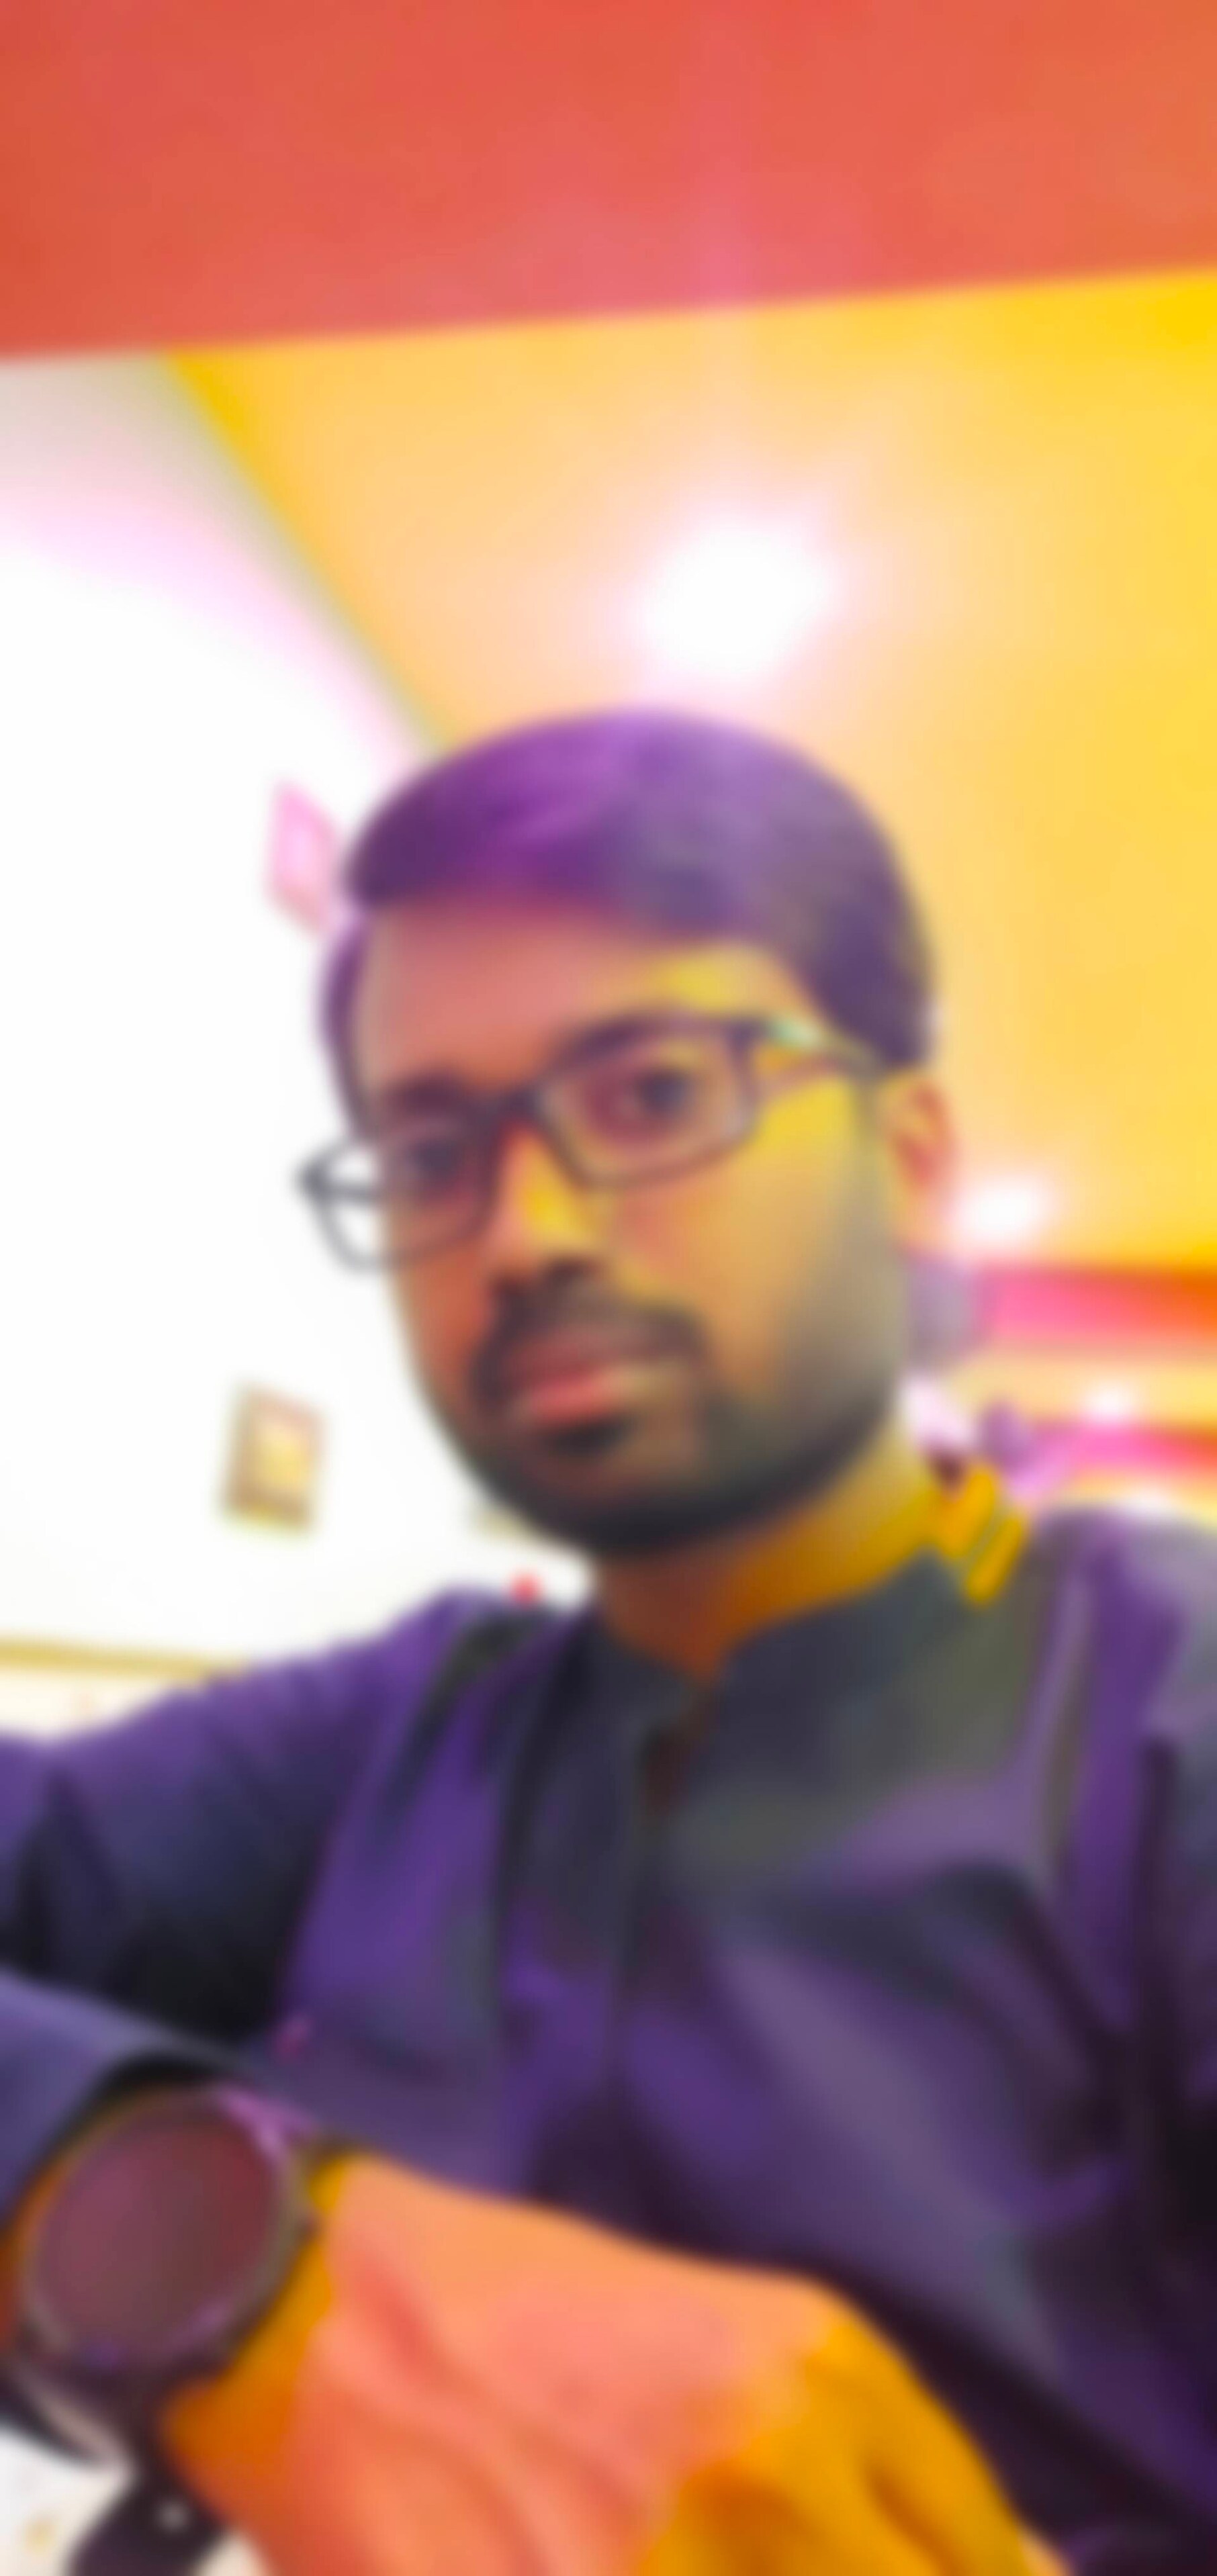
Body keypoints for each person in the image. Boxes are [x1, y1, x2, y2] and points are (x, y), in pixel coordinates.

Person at [0, 712, 1211, 2576]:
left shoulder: (1161, 1717)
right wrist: (229, 2262)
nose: (524, 1232)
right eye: (429, 1152)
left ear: (908, 1160)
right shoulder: (402, 1727)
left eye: (649, 1093)